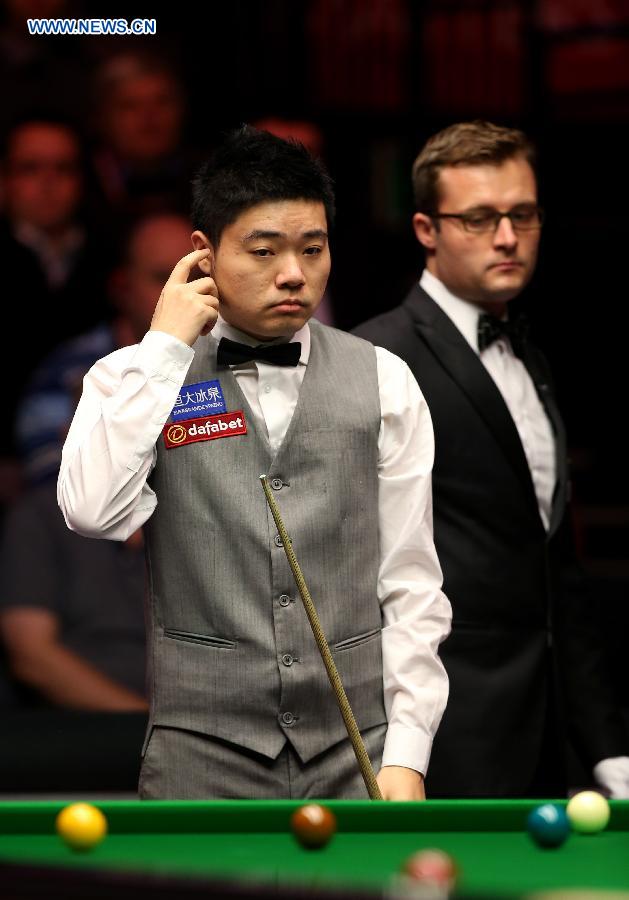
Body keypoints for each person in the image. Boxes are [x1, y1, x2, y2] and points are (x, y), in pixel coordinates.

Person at [57, 125, 451, 801]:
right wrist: (163, 350)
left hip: (356, 753)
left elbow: (410, 586)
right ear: (203, 256)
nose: (293, 272)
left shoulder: (385, 380)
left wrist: (408, 753)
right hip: (199, 760)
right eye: (263, 250)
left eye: (312, 248)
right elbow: (93, 514)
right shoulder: (132, 377)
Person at [353, 120, 629, 799]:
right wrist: (396, 749)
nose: (506, 237)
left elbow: (553, 564)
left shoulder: (530, 354)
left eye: (522, 215)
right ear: (426, 229)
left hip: (551, 731)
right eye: (478, 219)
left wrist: (608, 748)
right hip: (441, 733)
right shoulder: (376, 358)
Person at [15, 213, 193, 485]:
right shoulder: (68, 370)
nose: (183, 291)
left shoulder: (228, 356)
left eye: (196, 276)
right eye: (162, 278)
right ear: (122, 287)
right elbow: (50, 481)